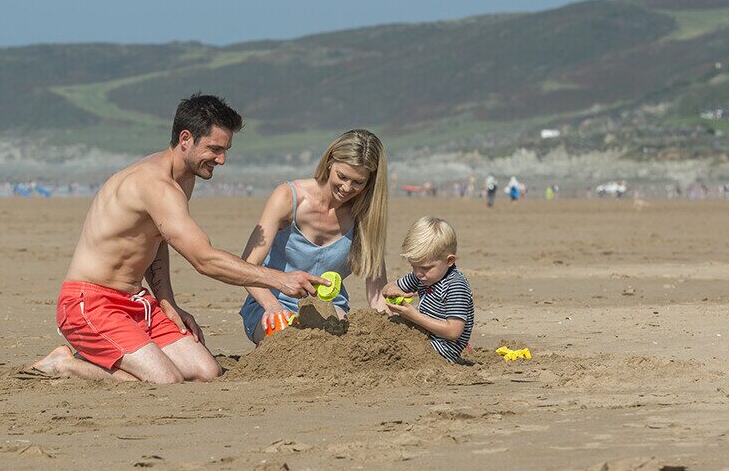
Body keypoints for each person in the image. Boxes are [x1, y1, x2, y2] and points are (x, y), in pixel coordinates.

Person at [28, 93, 326, 383]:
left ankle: (119, 351)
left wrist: (167, 302)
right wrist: (279, 280)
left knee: (206, 371)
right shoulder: (154, 184)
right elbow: (204, 259)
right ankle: (66, 364)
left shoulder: (184, 179)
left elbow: (156, 239)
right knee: (164, 379)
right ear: (186, 139)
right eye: (214, 149)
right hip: (88, 303)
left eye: (226, 150)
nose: (221, 159)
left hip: (136, 302)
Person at [238, 129, 389, 344]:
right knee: (290, 344)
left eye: (358, 182)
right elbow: (247, 265)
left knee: (339, 347)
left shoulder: (366, 218)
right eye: (342, 176)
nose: (347, 188)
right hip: (272, 304)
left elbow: (377, 296)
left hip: (331, 309)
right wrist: (273, 307)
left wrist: (389, 329)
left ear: (370, 182)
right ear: (329, 162)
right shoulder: (288, 197)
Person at [382, 217, 474, 365]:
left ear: (449, 261)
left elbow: (453, 332)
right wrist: (394, 290)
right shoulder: (423, 277)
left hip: (442, 351)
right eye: (414, 267)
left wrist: (414, 316)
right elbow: (387, 287)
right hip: (423, 338)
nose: (418, 273)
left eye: (425, 268)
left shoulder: (456, 286)